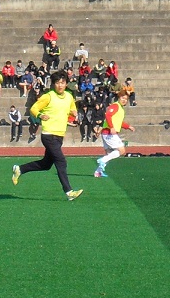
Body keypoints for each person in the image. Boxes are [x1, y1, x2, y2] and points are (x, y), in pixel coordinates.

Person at [11, 72, 83, 201]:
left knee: (46, 164)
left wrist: (74, 114)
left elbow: (72, 109)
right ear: (53, 84)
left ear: (66, 83)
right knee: (61, 161)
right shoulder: (48, 96)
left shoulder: (69, 96)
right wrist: (40, 115)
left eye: (62, 82)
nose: (60, 85)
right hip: (49, 135)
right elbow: (33, 109)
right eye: (57, 83)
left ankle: (20, 169)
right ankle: (69, 191)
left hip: (59, 135)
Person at [94, 90, 135, 178]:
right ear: (119, 98)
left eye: (126, 99)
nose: (124, 100)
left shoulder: (120, 108)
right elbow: (108, 115)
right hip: (109, 132)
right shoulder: (115, 106)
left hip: (107, 133)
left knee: (109, 154)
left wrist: (128, 126)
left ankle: (98, 172)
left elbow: (119, 122)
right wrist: (112, 127)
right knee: (122, 151)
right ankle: (102, 160)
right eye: (122, 98)